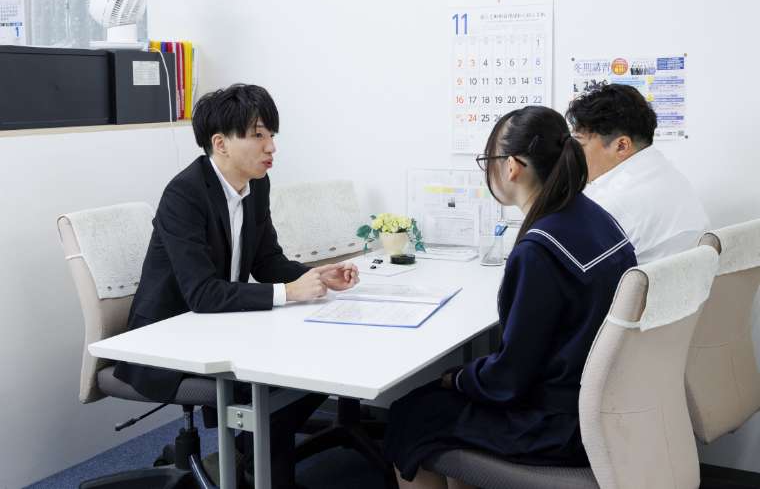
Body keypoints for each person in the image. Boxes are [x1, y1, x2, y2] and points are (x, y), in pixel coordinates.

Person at [113, 83, 359, 488]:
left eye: (271, 135)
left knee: (313, 365)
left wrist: (314, 276)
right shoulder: (184, 194)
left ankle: (250, 460)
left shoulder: (256, 184)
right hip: (166, 337)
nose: (271, 147)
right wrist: (289, 293)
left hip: (220, 323)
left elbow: (267, 262)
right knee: (279, 379)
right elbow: (202, 294)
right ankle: (256, 467)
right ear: (220, 143)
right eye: (258, 135)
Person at [384, 106, 637, 489]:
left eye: (487, 161)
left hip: (558, 425)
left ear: (512, 167)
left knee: (409, 414)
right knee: (438, 402)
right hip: (602, 407)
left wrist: (458, 379)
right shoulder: (596, 218)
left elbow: (507, 381)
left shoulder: (539, 249)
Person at [566, 83, 710, 264]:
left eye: (580, 145)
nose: (572, 153)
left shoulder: (611, 205)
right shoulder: (665, 172)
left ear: (621, 146)